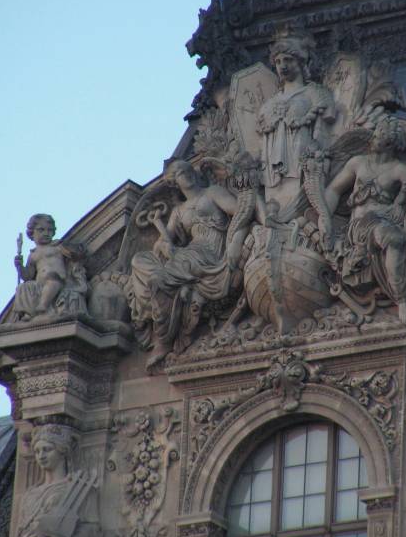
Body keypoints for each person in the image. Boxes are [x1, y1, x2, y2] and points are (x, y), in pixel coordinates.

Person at [318, 115, 406, 324]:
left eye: (380, 137)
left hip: (384, 221)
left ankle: (402, 299)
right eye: (376, 135)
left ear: (391, 144)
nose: (374, 139)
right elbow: (334, 190)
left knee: (394, 239)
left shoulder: (399, 170)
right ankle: (402, 298)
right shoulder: (358, 163)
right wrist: (324, 216)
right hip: (359, 226)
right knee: (391, 237)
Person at [129, 160, 241, 366]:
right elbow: (162, 242)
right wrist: (164, 245)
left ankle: (163, 339)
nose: (186, 173)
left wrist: (236, 240)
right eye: (180, 172)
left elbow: (239, 210)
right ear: (174, 182)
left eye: (188, 169)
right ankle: (166, 308)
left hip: (209, 251)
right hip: (190, 252)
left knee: (159, 281)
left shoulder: (212, 192)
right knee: (139, 260)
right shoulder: (178, 211)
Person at [0, 424, 100, 537]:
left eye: (47, 449)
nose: (41, 456)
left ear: (62, 451)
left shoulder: (79, 488)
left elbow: (92, 530)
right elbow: (17, 534)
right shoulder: (28, 495)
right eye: (37, 451)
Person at [257, 31, 335, 218]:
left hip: (302, 162)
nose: (282, 66)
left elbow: (323, 131)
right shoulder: (269, 104)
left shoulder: (316, 94)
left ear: (301, 61)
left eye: (288, 60)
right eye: (278, 62)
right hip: (272, 169)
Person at [13, 214, 88, 322]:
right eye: (41, 230)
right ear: (32, 233)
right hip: (40, 284)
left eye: (49, 230)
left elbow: (76, 255)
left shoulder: (57, 246)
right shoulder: (33, 255)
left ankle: (43, 305)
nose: (46, 233)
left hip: (57, 280)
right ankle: (30, 313)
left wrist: (72, 250)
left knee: (52, 280)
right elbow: (28, 276)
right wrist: (19, 266)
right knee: (23, 287)